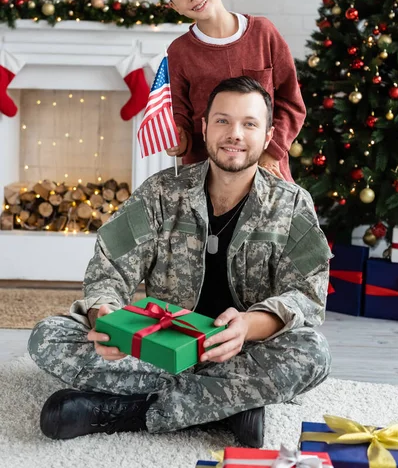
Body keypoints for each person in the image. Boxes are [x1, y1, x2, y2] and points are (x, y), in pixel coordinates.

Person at [28, 77, 331, 449]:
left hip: (244, 352)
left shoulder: (292, 204)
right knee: (48, 337)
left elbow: (307, 294)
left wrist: (247, 326)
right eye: (222, 121)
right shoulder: (160, 192)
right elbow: (109, 269)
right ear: (204, 127)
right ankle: (231, 407)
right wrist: (106, 321)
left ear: (268, 136)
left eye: (249, 124)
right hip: (159, 349)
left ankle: (130, 412)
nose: (234, 134)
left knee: (312, 353)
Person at [156, 0, 306, 181]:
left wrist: (271, 152)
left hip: (264, 168)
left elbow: (291, 103)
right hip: (206, 177)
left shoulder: (263, 33)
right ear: (174, 7)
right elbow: (180, 113)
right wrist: (180, 137)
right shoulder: (179, 51)